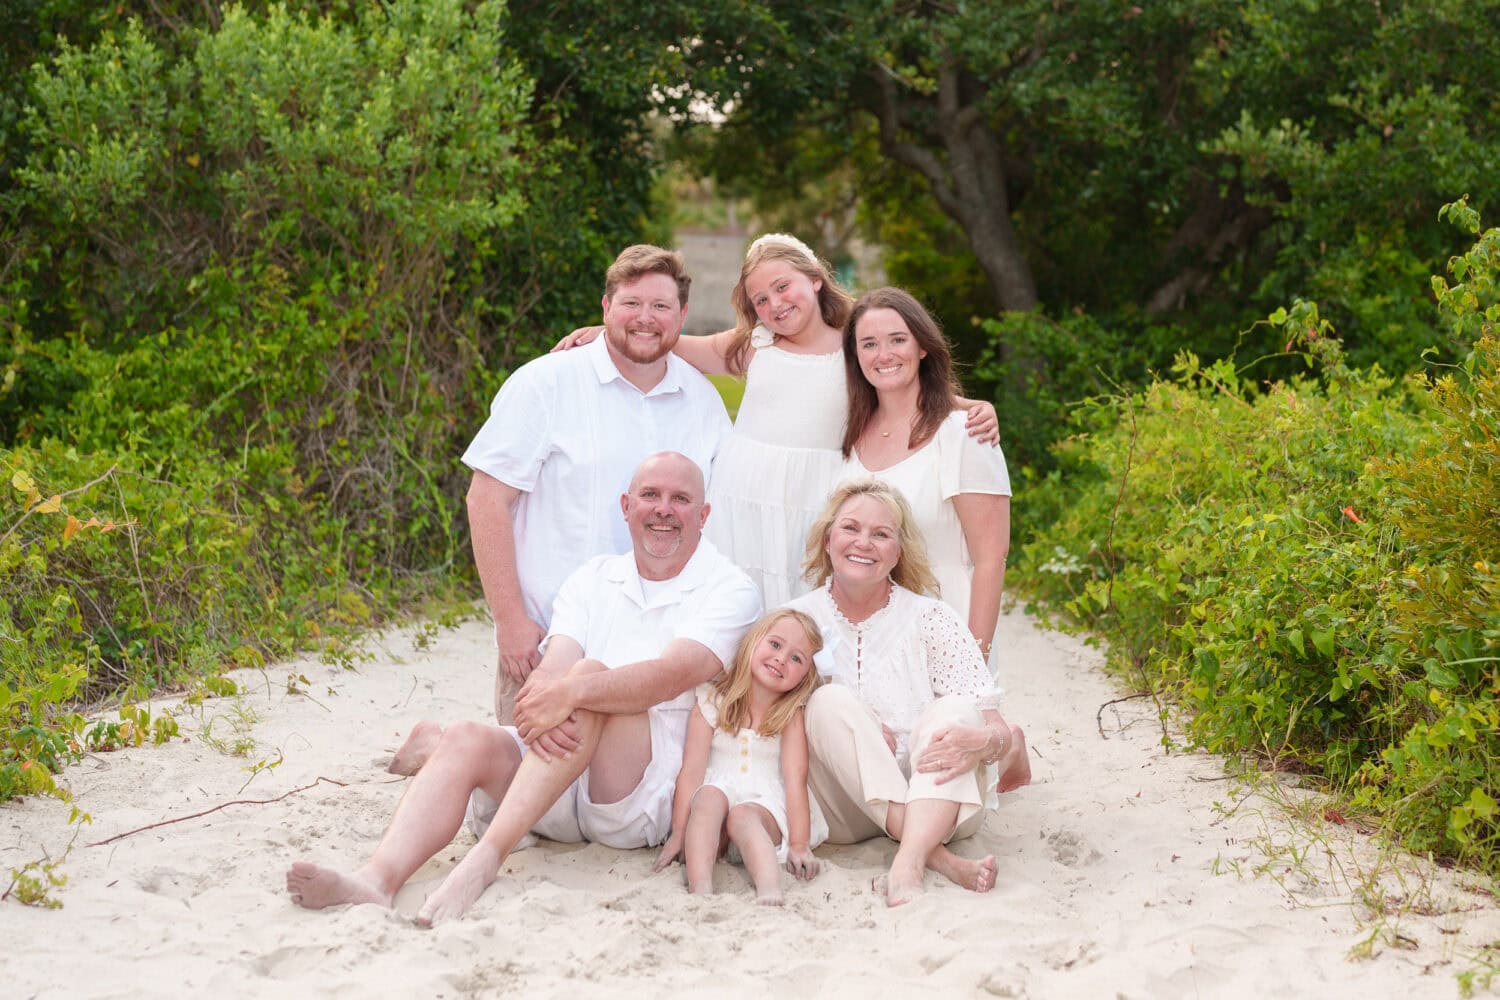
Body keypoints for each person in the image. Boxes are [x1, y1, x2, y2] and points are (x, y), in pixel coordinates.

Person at [286, 452, 762, 925]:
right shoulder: (593, 578)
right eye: (650, 495)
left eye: (680, 499)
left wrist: (572, 693)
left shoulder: (730, 588)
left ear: (702, 516)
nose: (663, 509)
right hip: (550, 781)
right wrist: (549, 698)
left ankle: (486, 858)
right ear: (625, 506)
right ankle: (375, 880)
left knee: (590, 678)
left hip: (632, 797)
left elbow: (669, 675)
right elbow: (552, 668)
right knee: (468, 737)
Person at [551, 233, 999, 609]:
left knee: (807, 600)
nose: (775, 305)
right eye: (760, 299)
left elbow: (905, 386)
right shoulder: (756, 344)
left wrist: (971, 406)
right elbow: (676, 343)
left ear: (817, 279)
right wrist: (606, 332)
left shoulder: (852, 345)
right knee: (739, 597)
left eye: (783, 288)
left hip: (816, 492)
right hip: (745, 496)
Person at [460, 244, 730, 726]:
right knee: (527, 787)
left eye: (661, 306)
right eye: (631, 303)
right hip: (549, 643)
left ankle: (434, 744)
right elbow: (486, 500)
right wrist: (511, 622)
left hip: (655, 657)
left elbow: (718, 517)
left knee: (639, 800)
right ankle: (439, 747)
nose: (645, 318)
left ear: (682, 315)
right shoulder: (545, 384)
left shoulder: (703, 402)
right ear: (606, 308)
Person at [784, 480, 1031, 907]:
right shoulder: (794, 620)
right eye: (851, 528)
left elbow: (992, 727)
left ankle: (909, 861)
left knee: (955, 710)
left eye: (881, 534)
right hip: (842, 810)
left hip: (941, 798)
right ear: (828, 540)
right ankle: (933, 858)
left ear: (899, 552)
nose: (864, 542)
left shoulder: (932, 617)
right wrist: (857, 730)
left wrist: (986, 741)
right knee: (827, 702)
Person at [839, 287, 1011, 663]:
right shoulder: (851, 435)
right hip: (864, 645)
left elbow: (991, 559)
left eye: (898, 340)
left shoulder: (965, 434)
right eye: (868, 344)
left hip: (944, 638)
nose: (883, 355)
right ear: (855, 355)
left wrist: (974, 659)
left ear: (922, 347)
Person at [653, 609, 827, 905]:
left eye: (797, 658)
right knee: (707, 796)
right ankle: (701, 890)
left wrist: (799, 844)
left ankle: (770, 890)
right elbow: (692, 770)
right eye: (775, 644)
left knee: (743, 815)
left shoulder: (789, 716)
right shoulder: (712, 701)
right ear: (752, 642)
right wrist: (678, 831)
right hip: (715, 823)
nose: (781, 659)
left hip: (764, 812)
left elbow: (795, 780)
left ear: (805, 676)